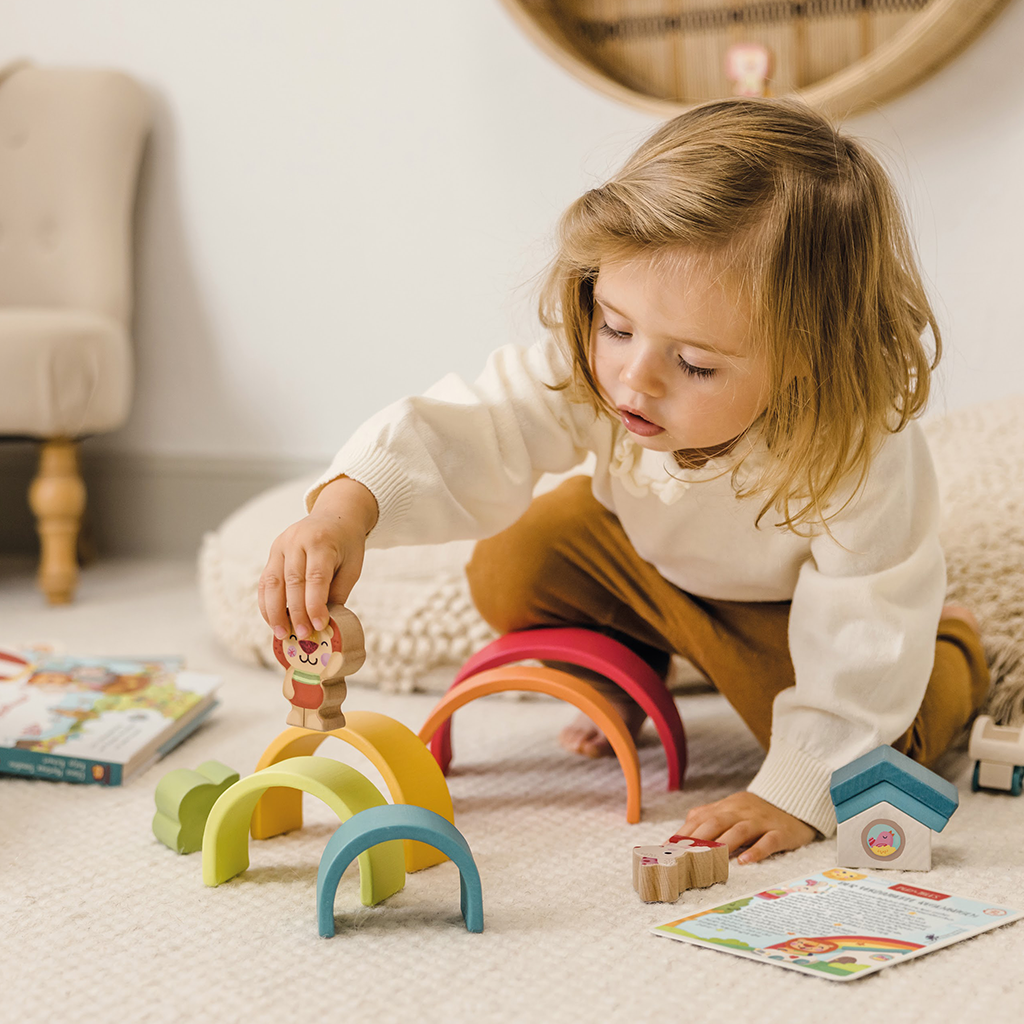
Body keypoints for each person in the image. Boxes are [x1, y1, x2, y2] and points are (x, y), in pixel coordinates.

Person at [258, 98, 989, 864]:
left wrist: (794, 790)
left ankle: (956, 642)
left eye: (696, 364)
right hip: (643, 564)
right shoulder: (600, 368)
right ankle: (635, 658)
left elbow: (862, 632)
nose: (633, 379)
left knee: (875, 742)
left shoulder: (857, 450)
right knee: (517, 560)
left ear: (808, 353)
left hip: (780, 613)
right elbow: (481, 425)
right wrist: (350, 507)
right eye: (616, 325)